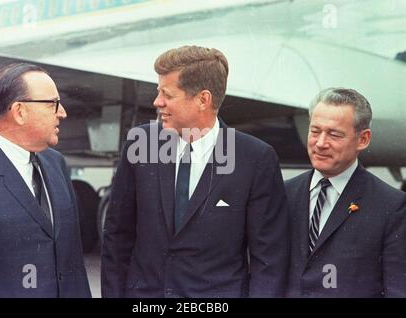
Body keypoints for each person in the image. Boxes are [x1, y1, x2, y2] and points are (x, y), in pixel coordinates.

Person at [101, 45, 289, 298]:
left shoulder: (255, 159)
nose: (157, 102)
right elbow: (117, 237)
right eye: (158, 92)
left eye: (167, 94)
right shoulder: (140, 144)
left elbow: (269, 259)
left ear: (203, 99)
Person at [0, 63, 91, 297]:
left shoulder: (56, 164)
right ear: (19, 111)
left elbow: (73, 263)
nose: (62, 113)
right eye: (52, 104)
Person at [285, 87, 406, 297]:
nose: (320, 143)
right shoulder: (284, 194)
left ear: (363, 139)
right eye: (315, 131)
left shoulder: (391, 206)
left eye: (334, 134)